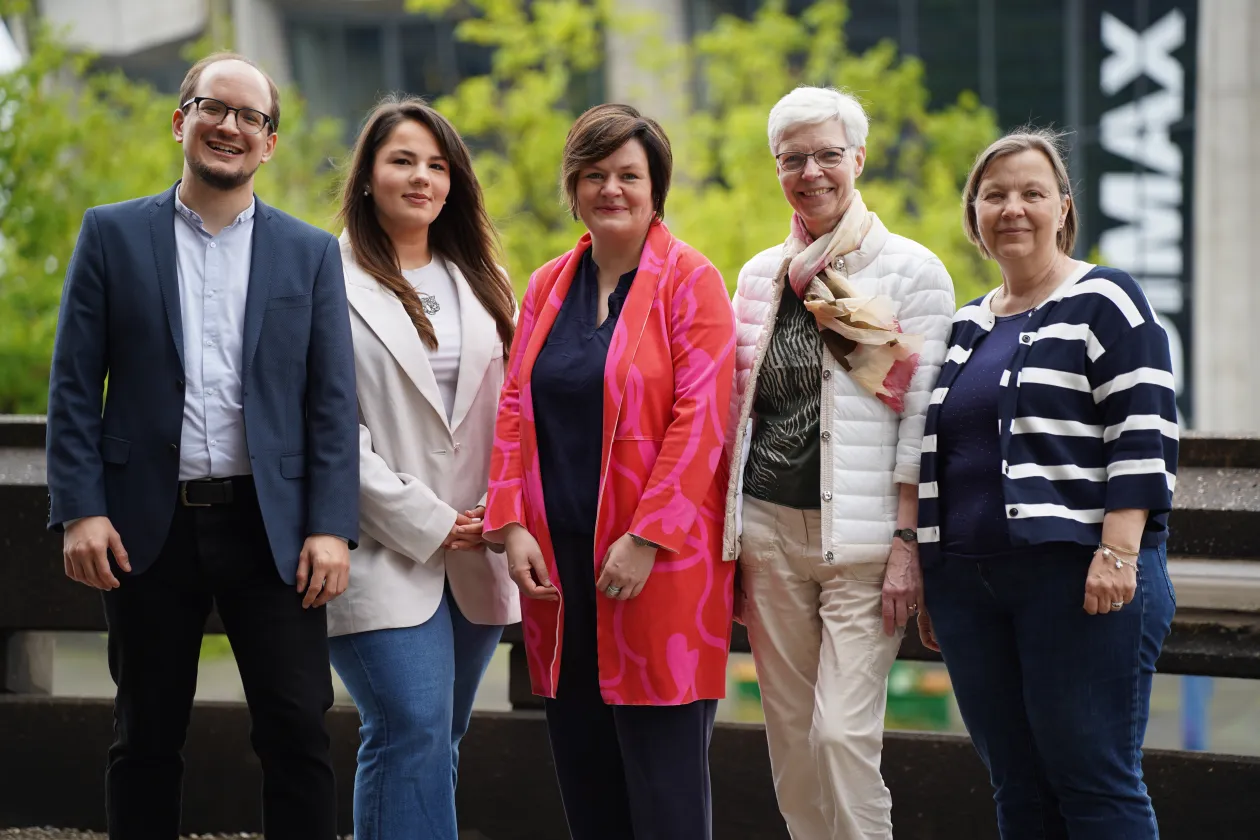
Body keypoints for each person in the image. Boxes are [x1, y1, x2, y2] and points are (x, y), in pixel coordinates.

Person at [45, 53, 358, 839]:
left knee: (297, 732)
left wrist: (330, 524)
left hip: (273, 529)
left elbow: (331, 403)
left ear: (271, 144)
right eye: (215, 107)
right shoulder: (110, 234)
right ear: (181, 119)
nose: (232, 127)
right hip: (146, 527)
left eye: (253, 117)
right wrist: (81, 510)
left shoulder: (310, 253)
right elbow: (76, 387)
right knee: (145, 734)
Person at [482, 103, 736, 840]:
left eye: (629, 174)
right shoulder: (546, 285)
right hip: (556, 565)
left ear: (656, 186)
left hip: (655, 567)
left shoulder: (692, 281)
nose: (611, 189)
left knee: (665, 791)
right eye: (594, 175)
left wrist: (648, 536)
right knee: (585, 776)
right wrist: (510, 521)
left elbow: (703, 420)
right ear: (573, 187)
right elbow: (512, 405)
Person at [916, 129, 1178, 839]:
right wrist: (932, 571)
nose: (1013, 208)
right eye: (994, 195)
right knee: (1018, 789)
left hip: (1080, 581)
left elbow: (1144, 431)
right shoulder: (965, 323)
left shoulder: (1107, 299)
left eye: (1032, 193)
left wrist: (1119, 551)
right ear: (974, 215)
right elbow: (937, 453)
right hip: (972, 592)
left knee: (1095, 783)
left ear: (1063, 209)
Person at [723, 86, 955, 840]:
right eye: (794, 158)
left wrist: (906, 543)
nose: (811, 171)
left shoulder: (913, 271)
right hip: (768, 536)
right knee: (791, 742)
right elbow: (734, 406)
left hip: (863, 548)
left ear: (858, 158)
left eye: (828, 154)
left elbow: (923, 419)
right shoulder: (760, 276)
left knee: (841, 738)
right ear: (776, 168)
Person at [327, 96, 520, 840]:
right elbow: (326, 431)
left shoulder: (485, 278)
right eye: (402, 160)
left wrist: (494, 514)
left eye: (437, 165)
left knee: (438, 737)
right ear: (368, 176)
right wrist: (432, 522)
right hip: (379, 544)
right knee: (408, 725)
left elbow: (513, 413)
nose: (422, 178)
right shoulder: (322, 275)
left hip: (478, 547)